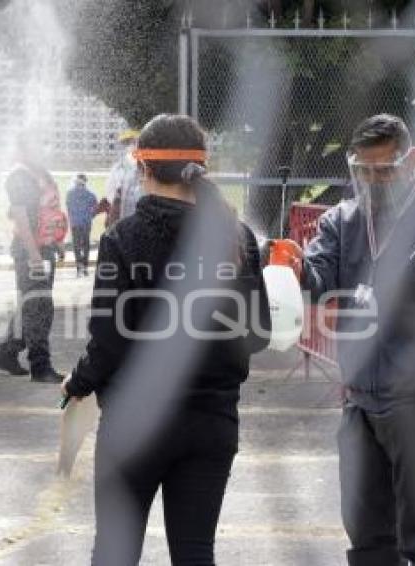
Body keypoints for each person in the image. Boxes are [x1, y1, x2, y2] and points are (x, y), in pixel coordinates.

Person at [62, 114, 270, 565]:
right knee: (195, 553)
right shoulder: (237, 238)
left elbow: (109, 340)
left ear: (144, 168)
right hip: (211, 420)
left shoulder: (125, 238)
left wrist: (78, 383)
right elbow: (257, 336)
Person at [289, 114, 415, 566]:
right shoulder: (343, 219)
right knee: (367, 532)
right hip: (359, 399)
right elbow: (320, 279)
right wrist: (297, 269)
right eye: (363, 171)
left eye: (385, 169)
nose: (373, 181)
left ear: (411, 160)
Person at [0, 137, 65, 383]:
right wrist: (34, 255)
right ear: (23, 148)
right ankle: (40, 366)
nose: (42, 149)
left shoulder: (39, 172)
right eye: (37, 144)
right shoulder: (19, 176)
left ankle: (7, 352)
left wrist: (56, 241)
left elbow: (49, 210)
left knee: (30, 304)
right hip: (30, 251)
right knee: (39, 307)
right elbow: (21, 217)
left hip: (45, 248)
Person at [104, 128, 141, 227]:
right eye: (129, 142)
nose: (132, 145)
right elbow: (110, 190)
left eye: (135, 141)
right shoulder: (118, 168)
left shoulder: (148, 166)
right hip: (122, 216)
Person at [66, 173, 99, 276]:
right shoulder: (91, 194)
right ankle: (84, 267)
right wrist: (90, 216)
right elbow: (95, 209)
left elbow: (68, 208)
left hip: (75, 222)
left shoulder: (70, 193)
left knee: (76, 245)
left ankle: (79, 267)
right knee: (86, 245)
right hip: (86, 222)